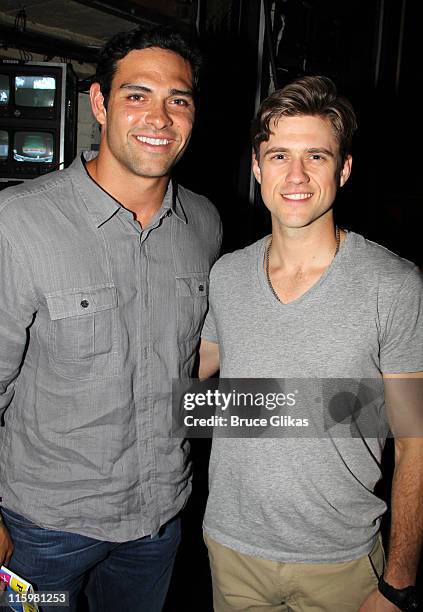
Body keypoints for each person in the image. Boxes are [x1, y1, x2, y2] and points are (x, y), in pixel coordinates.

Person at [0, 25, 221, 611]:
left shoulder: (204, 223)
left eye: (179, 99)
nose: (159, 116)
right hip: (40, 532)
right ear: (99, 103)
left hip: (157, 522)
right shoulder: (17, 223)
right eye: (136, 95)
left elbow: (196, 362)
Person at [199, 76, 423, 611]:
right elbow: (193, 375)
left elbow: (415, 440)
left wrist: (398, 582)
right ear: (257, 168)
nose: (295, 175)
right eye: (278, 155)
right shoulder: (227, 276)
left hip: (342, 563)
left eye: (316, 156)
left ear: (343, 169)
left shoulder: (393, 284)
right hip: (232, 552)